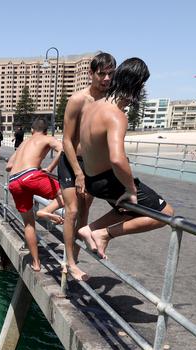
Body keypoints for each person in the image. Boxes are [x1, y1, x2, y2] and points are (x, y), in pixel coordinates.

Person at [77, 58, 174, 260]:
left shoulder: (92, 107)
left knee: (130, 210)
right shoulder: (116, 115)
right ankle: (104, 233)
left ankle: (90, 229)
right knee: (166, 214)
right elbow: (117, 159)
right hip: (109, 181)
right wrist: (130, 189)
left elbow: (83, 147)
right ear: (135, 85)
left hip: (92, 180)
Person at [61, 52, 116, 281]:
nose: (105, 79)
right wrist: (78, 173)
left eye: (110, 74)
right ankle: (69, 262)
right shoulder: (78, 100)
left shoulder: (111, 100)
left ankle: (76, 260)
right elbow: (66, 140)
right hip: (71, 162)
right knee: (72, 211)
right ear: (91, 73)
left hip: (93, 165)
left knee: (84, 214)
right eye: (101, 74)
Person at [5, 118, 63, 272]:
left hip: (14, 181)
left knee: (29, 224)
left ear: (31, 130)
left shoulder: (24, 143)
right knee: (67, 195)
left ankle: (36, 263)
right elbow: (63, 150)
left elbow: (8, 166)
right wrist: (49, 167)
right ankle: (46, 211)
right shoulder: (47, 138)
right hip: (30, 176)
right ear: (46, 130)